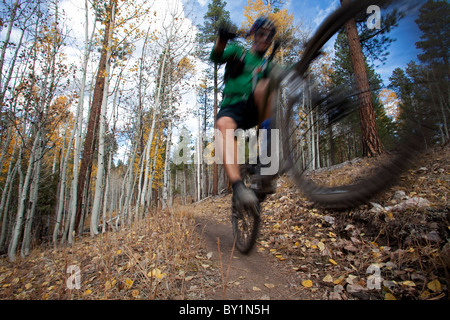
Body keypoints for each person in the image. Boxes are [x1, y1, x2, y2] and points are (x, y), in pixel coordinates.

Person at [210, 17, 278, 210]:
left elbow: (288, 73)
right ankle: (239, 189)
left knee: (265, 85)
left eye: (269, 36)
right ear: (254, 36)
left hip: (253, 109)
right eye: (261, 34)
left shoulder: (267, 64)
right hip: (231, 105)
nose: (265, 39)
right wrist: (222, 38)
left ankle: (267, 159)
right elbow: (216, 57)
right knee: (223, 125)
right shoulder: (238, 52)